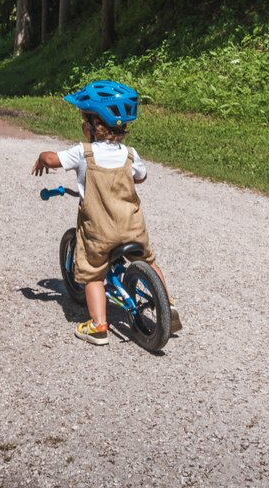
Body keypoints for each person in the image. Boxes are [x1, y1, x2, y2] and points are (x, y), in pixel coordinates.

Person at [32, 80, 181, 346]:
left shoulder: (83, 152)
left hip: (100, 232)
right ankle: (167, 307)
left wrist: (43, 158)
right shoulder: (129, 154)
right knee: (149, 260)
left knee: (92, 273)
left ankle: (99, 326)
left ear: (90, 127)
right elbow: (141, 177)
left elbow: (53, 159)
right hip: (132, 227)